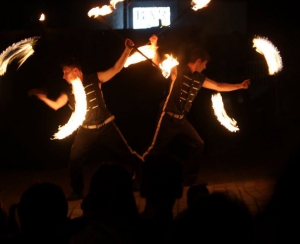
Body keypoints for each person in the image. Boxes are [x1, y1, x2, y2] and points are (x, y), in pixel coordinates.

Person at [28, 38, 141, 201]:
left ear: (75, 70)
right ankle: (77, 191)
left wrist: (127, 50)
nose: (63, 76)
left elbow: (116, 68)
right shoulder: (68, 90)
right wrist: (42, 97)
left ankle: (140, 179)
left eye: (65, 72)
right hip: (86, 130)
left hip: (106, 126)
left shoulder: (95, 79)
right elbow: (56, 105)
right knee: (74, 159)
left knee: (127, 154)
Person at [142, 34, 251, 185]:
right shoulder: (177, 70)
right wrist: (154, 46)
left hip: (182, 120)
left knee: (198, 144)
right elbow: (158, 64)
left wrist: (240, 85)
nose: (205, 67)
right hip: (167, 117)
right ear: (198, 61)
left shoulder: (199, 78)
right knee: (154, 149)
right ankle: (138, 178)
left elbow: (218, 86)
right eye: (204, 64)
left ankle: (189, 178)